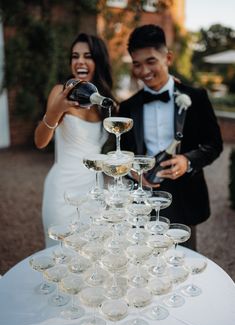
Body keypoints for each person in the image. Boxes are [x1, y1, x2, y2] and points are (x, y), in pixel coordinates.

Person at [108, 24, 223, 250]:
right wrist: (133, 170)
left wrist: (188, 161)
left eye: (151, 61)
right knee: (144, 261)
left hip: (185, 196)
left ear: (167, 57)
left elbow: (214, 144)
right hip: (142, 197)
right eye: (137, 64)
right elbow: (120, 150)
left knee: (185, 262)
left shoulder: (196, 98)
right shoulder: (128, 107)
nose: (144, 71)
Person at [34, 33, 116, 247]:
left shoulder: (105, 101)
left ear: (98, 61)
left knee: (94, 257)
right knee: (61, 258)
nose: (79, 61)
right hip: (63, 190)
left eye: (87, 56)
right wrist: (57, 110)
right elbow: (40, 141)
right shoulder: (60, 93)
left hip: (94, 191)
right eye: (75, 56)